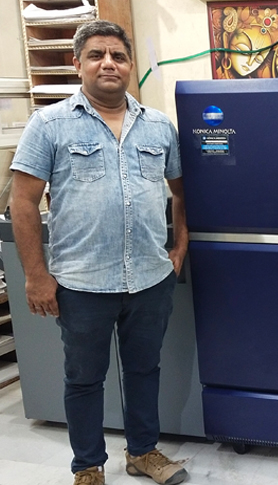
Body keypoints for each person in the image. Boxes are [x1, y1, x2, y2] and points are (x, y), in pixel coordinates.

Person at [9, 20, 189, 485]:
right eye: (96, 55)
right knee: (84, 379)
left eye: (118, 56)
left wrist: (180, 244)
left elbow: (180, 190)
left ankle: (143, 452)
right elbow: (22, 201)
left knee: (144, 370)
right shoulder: (49, 124)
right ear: (78, 64)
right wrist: (36, 275)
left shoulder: (158, 126)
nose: (108, 63)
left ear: (129, 65)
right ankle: (88, 467)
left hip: (149, 278)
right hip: (81, 283)